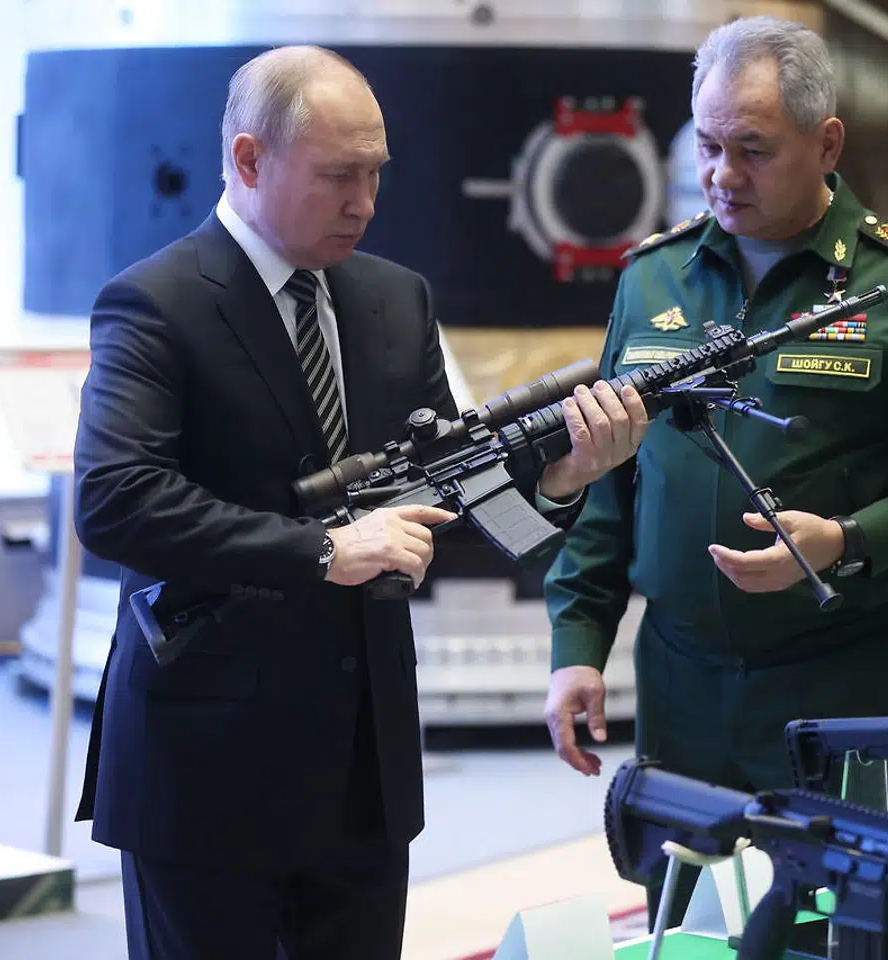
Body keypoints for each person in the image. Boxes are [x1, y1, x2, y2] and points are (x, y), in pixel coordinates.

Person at [71, 45, 646, 960]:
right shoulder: (155, 302)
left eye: (376, 172)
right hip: (206, 766)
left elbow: (449, 499)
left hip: (360, 774)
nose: (366, 202)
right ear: (249, 159)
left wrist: (560, 481)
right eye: (339, 175)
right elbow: (116, 502)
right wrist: (323, 551)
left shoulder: (394, 299)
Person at [541, 15, 888, 924]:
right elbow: (613, 482)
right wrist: (578, 647)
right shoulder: (652, 278)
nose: (722, 174)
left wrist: (846, 539)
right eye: (707, 145)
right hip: (680, 688)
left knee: (835, 929)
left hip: (839, 687)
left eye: (753, 150)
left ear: (826, 144)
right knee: (685, 926)